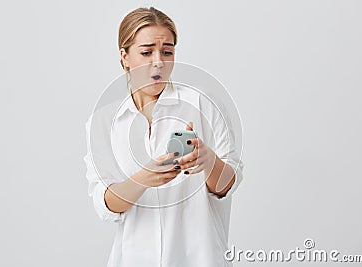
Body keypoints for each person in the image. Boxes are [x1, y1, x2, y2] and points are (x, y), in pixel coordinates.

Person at [84, 7, 243, 267]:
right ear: (124, 57)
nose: (158, 61)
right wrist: (143, 179)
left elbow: (228, 185)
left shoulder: (204, 104)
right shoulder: (102, 123)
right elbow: (106, 204)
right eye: (146, 52)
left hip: (199, 258)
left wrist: (208, 160)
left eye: (167, 51)